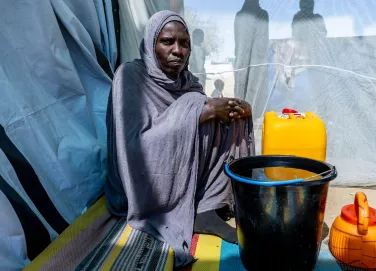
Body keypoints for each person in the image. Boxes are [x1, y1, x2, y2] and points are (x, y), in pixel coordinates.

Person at [105, 11, 254, 268]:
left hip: (182, 170)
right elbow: (131, 149)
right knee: (197, 106)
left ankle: (208, 206)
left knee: (217, 112)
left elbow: (208, 127)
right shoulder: (129, 77)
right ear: (151, 43)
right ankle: (180, 207)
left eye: (184, 44)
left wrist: (236, 110)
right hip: (139, 184)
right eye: (167, 42)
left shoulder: (187, 81)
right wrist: (199, 111)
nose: (178, 51)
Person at [234, 0, 269, 119]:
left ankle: (250, 111)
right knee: (243, 74)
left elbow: (261, 47)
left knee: (255, 72)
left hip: (256, 62)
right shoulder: (241, 16)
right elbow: (240, 46)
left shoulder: (262, 15)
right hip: (244, 62)